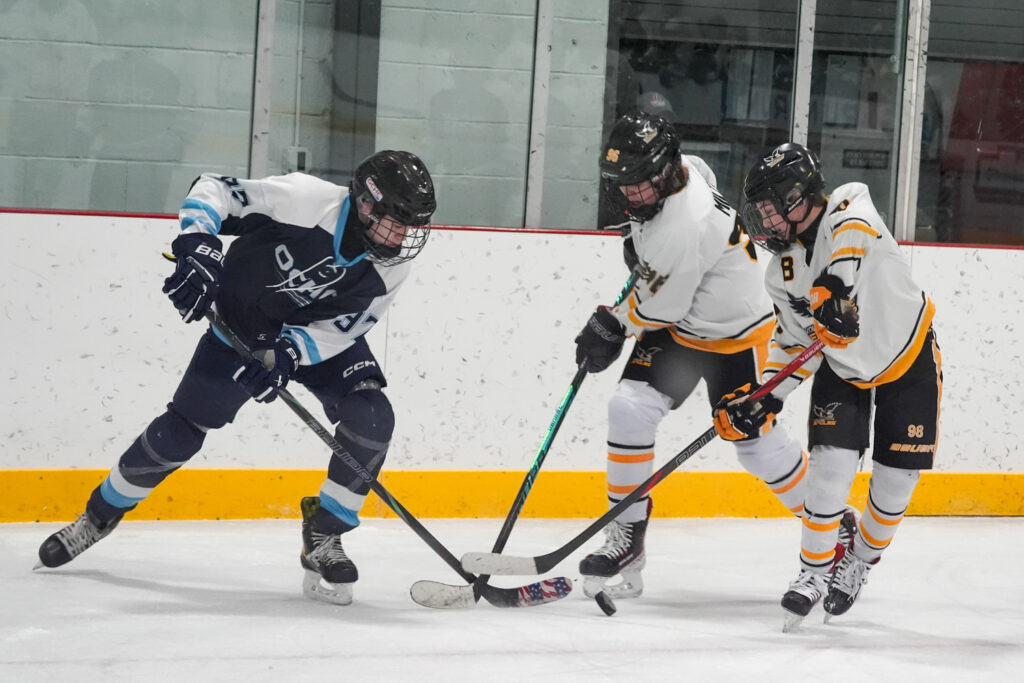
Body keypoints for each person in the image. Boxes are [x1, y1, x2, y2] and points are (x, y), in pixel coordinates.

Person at [35, 150, 437, 606]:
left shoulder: (393, 267)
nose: (404, 236)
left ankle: (324, 533)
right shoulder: (306, 200)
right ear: (366, 204)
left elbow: (342, 330)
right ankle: (97, 517)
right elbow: (215, 189)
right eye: (396, 221)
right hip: (243, 324)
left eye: (413, 225)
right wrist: (199, 246)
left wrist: (288, 353)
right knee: (179, 434)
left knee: (372, 418)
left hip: (316, 342)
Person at [573, 111, 810, 600]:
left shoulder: (683, 223)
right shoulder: (683, 175)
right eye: (623, 184)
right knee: (629, 407)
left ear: (662, 173)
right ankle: (627, 536)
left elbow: (656, 307)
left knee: (756, 447)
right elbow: (701, 174)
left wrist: (610, 323)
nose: (628, 195)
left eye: (638, 185)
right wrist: (645, 256)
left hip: (736, 333)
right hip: (682, 325)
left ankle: (832, 524)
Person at [715, 142, 941, 630]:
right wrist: (764, 396)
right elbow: (793, 342)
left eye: (771, 210)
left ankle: (859, 561)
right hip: (842, 369)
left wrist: (835, 289)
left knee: (896, 481)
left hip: (909, 355)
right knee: (829, 471)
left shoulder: (849, 203)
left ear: (799, 197)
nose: (765, 223)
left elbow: (852, 239)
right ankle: (812, 573)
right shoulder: (783, 272)